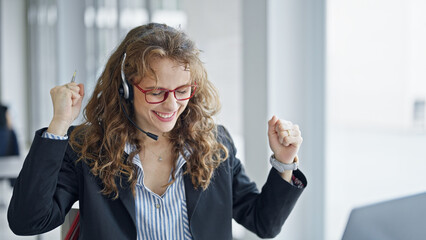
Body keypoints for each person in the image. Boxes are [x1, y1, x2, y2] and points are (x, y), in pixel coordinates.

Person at [7, 23, 307, 240]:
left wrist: (284, 161)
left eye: (182, 90)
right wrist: (58, 125)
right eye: (156, 91)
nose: (171, 104)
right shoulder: (88, 147)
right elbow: (27, 221)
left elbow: (263, 223)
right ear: (125, 89)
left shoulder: (214, 143)